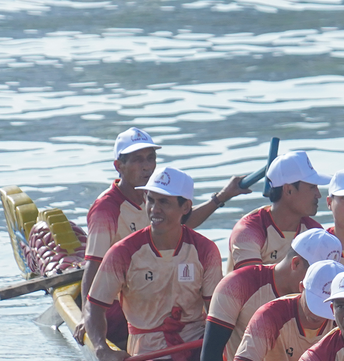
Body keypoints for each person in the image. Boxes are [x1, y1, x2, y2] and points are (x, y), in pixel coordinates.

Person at [77, 127, 248, 345]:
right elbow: (94, 264)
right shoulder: (107, 210)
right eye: (138, 160)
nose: (147, 166)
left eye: (150, 158)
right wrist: (85, 314)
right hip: (123, 298)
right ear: (118, 166)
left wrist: (223, 196)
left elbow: (179, 223)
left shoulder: (152, 196)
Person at [84, 166, 223, 361]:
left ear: (186, 207)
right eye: (150, 200)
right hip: (148, 355)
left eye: (164, 203)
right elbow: (93, 308)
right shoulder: (123, 252)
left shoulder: (205, 250)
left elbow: (218, 315)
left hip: (197, 348)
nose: (154, 210)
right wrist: (103, 351)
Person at [201, 229, 342, 361]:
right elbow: (212, 349)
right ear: (296, 263)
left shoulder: (332, 298)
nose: (321, 283)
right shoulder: (238, 284)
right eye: (316, 274)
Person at [227, 260, 344, 361]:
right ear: (301, 287)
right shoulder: (270, 316)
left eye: (329, 305)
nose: (318, 314)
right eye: (315, 302)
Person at [226, 151, 328, 272]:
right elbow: (252, 285)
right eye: (312, 187)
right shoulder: (249, 231)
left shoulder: (314, 231)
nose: (318, 195)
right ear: (288, 190)